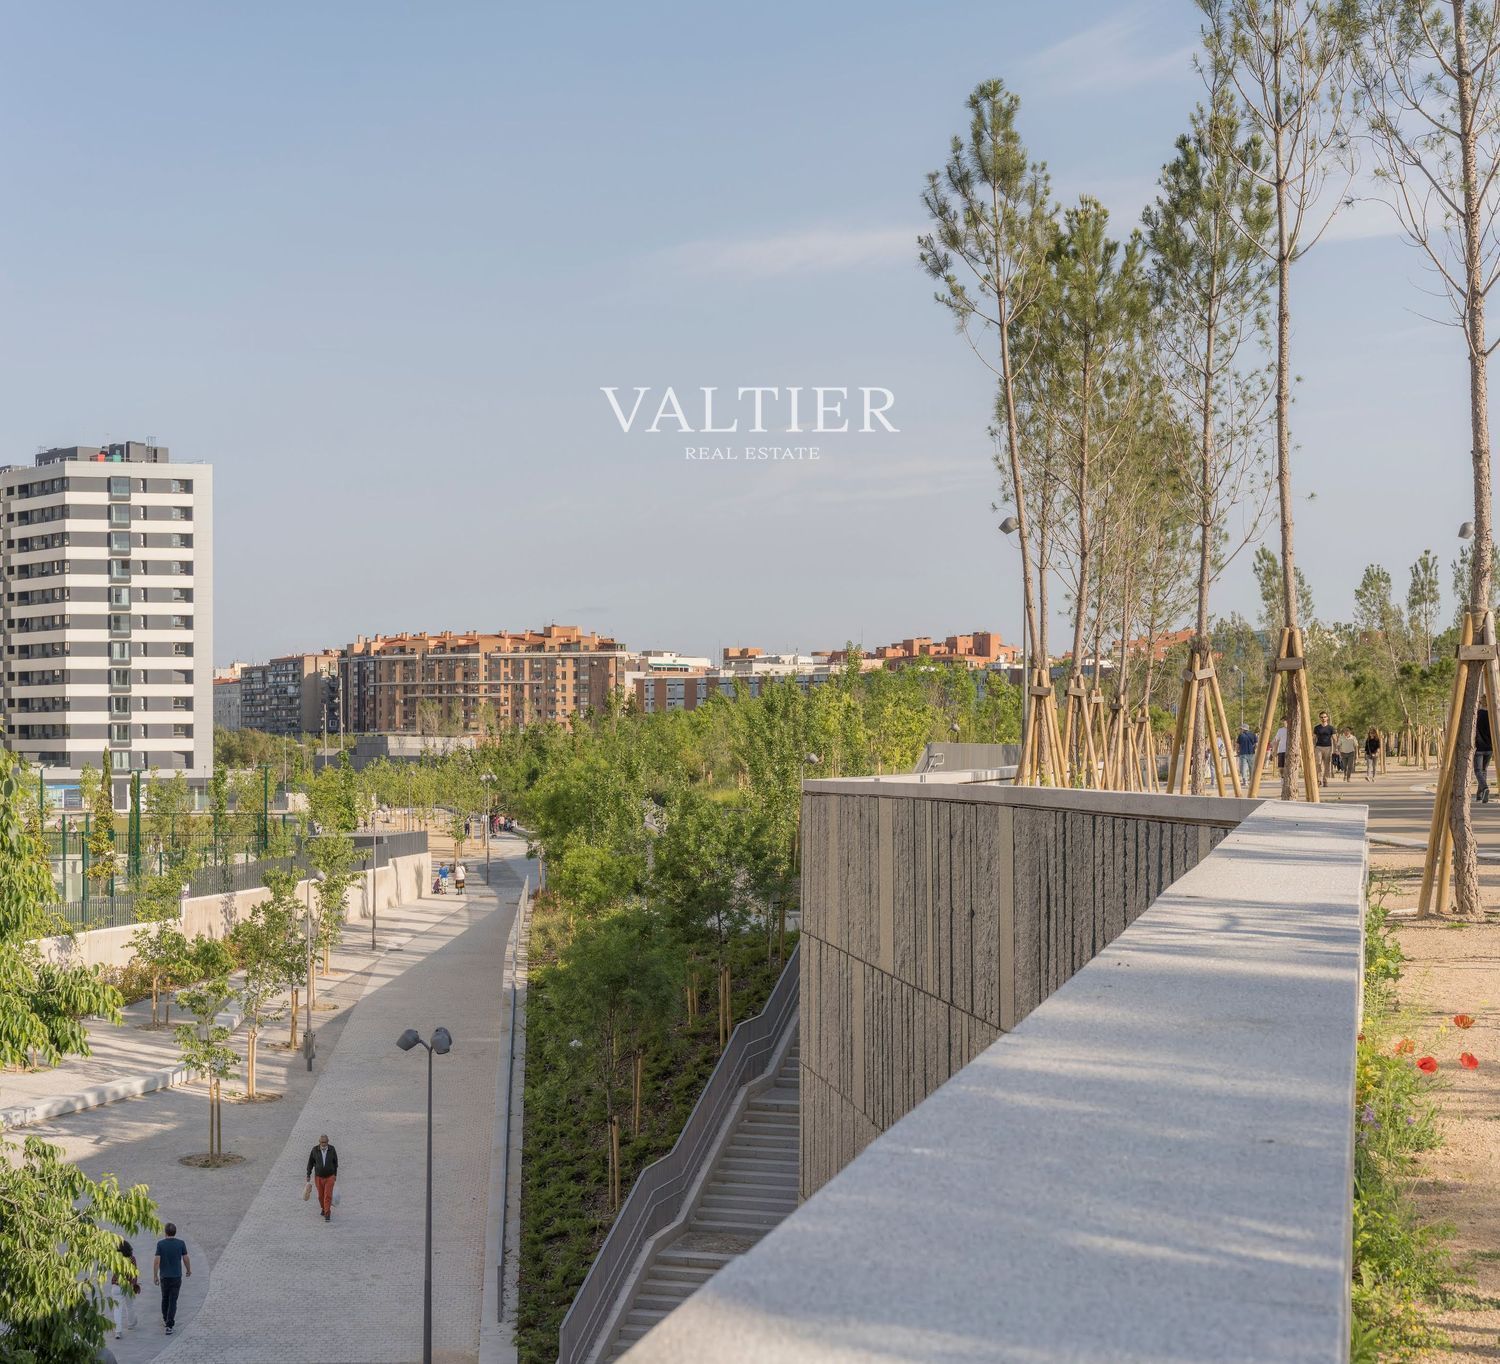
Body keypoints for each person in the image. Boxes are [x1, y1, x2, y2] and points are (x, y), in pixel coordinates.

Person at [152, 1222, 191, 1336]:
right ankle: (169, 1325)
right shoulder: (181, 1243)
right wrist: (188, 1270)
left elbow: (156, 1261)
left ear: (165, 1232)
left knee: (165, 1298)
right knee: (173, 1300)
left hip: (164, 1276)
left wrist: (155, 1275)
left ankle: (165, 1319)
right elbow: (186, 1258)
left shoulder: (160, 1244)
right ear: (175, 1232)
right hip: (176, 1276)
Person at [110, 1236, 138, 1339]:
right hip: (128, 1285)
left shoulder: (115, 1259)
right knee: (130, 1305)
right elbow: (134, 1273)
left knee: (117, 1309)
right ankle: (131, 1324)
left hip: (116, 1285)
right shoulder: (132, 1259)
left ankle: (118, 1331)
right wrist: (134, 1284)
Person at [306, 1133, 339, 1221]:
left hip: (330, 1176)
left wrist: (335, 1175)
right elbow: (310, 1163)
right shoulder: (314, 1150)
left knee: (327, 1195)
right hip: (319, 1177)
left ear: (328, 1142)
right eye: (322, 1142)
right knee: (321, 1196)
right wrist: (308, 1174)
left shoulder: (332, 1149)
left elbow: (335, 1163)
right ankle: (324, 1208)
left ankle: (327, 1213)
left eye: (325, 1142)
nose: (323, 1144)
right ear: (319, 1142)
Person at [1477, 705, 1493, 805]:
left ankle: (1484, 788)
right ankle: (1480, 794)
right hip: (1489, 748)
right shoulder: (1491, 715)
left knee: (1478, 770)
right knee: (1484, 770)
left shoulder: (1476, 715)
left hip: (1478, 748)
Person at [1313, 711, 1335, 784]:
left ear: (1327, 718)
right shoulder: (1316, 728)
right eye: (1321, 717)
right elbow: (1313, 738)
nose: (1323, 718)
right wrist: (1313, 747)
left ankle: (1325, 780)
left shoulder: (1331, 728)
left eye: (1325, 717)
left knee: (1326, 764)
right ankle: (1319, 779)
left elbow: (1334, 739)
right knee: (1318, 763)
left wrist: (1336, 749)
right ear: (1319, 718)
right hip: (1318, 747)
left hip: (1328, 748)